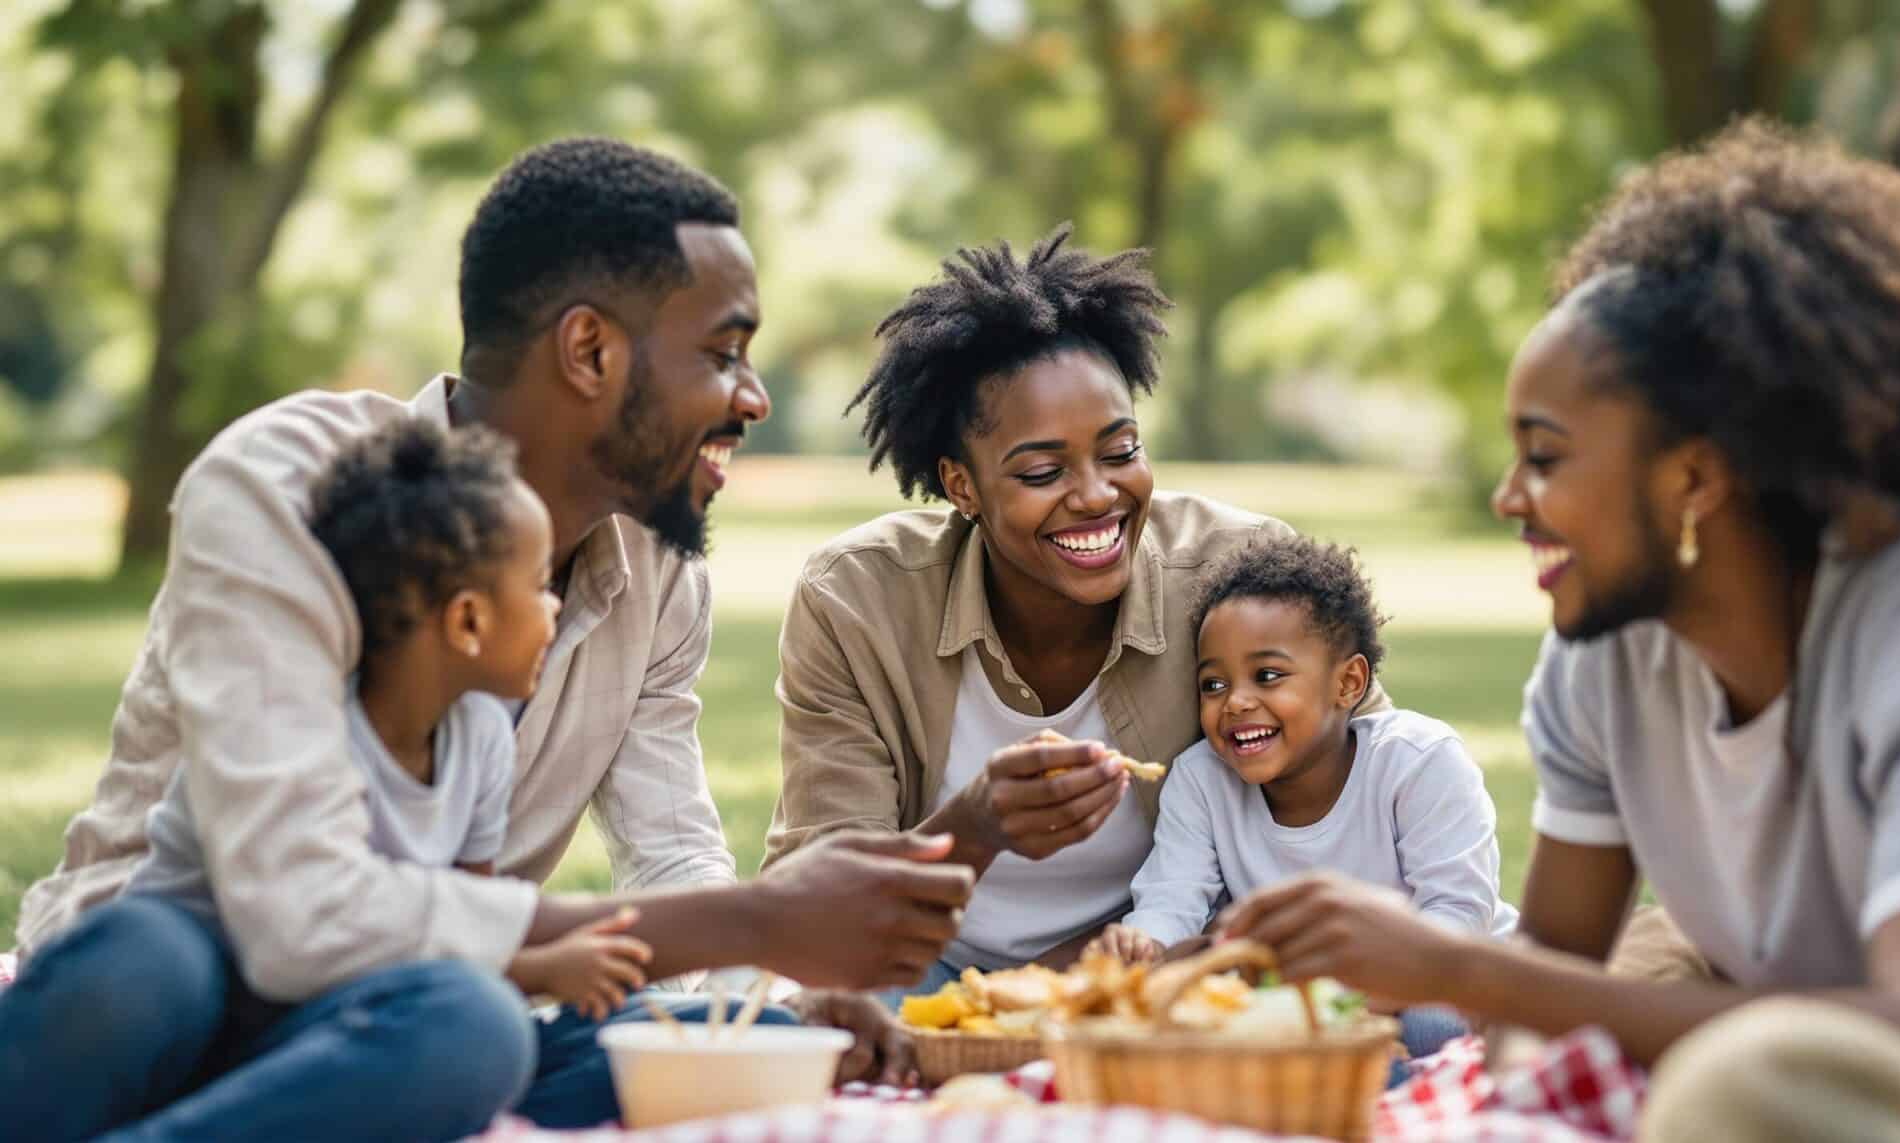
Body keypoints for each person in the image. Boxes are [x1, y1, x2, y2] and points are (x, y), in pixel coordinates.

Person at [1, 138, 968, 1140]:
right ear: (590, 352)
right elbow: (293, 913)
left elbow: (668, 844)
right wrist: (758, 919)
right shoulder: (292, 487)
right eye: (722, 355)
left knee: (587, 1040)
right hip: (160, 998)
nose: (753, 398)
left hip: (387, 1011)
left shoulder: (659, 573)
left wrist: (752, 999)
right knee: (160, 974)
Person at [1220, 121, 1900, 1141]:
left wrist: (1452, 967)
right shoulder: (1603, 654)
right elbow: (1546, 996)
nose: (1506, 498)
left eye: (1544, 457)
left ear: (1693, 476)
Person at [762, 227, 1389, 992]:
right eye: (1042, 470)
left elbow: (1376, 795)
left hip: (1163, 972)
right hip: (916, 973)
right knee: (816, 1011)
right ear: (962, 486)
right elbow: (822, 907)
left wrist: (1108, 971)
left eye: (1121, 452)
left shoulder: (1239, 578)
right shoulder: (857, 598)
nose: (1096, 495)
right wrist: (976, 825)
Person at [1089, 535, 1511, 1079]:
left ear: (1348, 683)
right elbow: (1172, 898)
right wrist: (1142, 943)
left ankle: (1395, 1098)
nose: (1235, 701)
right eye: (1213, 683)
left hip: (1432, 979)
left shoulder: (1418, 760)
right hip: (1293, 1000)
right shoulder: (1200, 780)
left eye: (1267, 676)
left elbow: (1457, 917)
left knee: (1433, 1024)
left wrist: (1351, 1005)